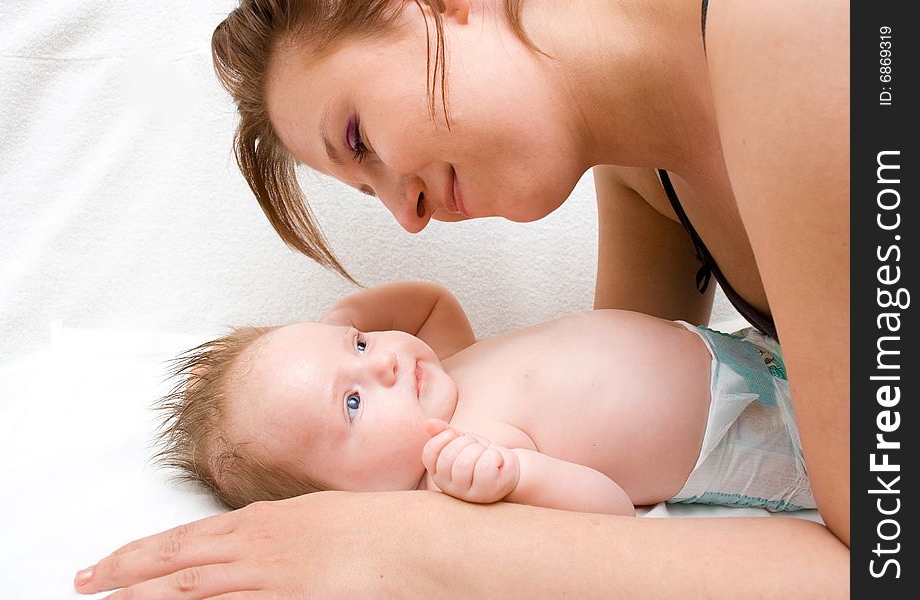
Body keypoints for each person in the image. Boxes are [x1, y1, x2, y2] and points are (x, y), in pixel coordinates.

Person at [75, 0, 850, 596]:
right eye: (363, 184)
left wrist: (412, 550)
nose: (406, 219)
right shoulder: (645, 179)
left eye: (357, 139)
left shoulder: (794, 29)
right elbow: (624, 478)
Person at [153, 281, 812, 515]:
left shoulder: (444, 364)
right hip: (762, 435)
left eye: (357, 345)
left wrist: (336, 321)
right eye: (351, 403)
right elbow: (610, 510)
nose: (384, 363)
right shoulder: (460, 465)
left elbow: (431, 300)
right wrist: (518, 477)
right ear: (343, 498)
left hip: (749, 348)